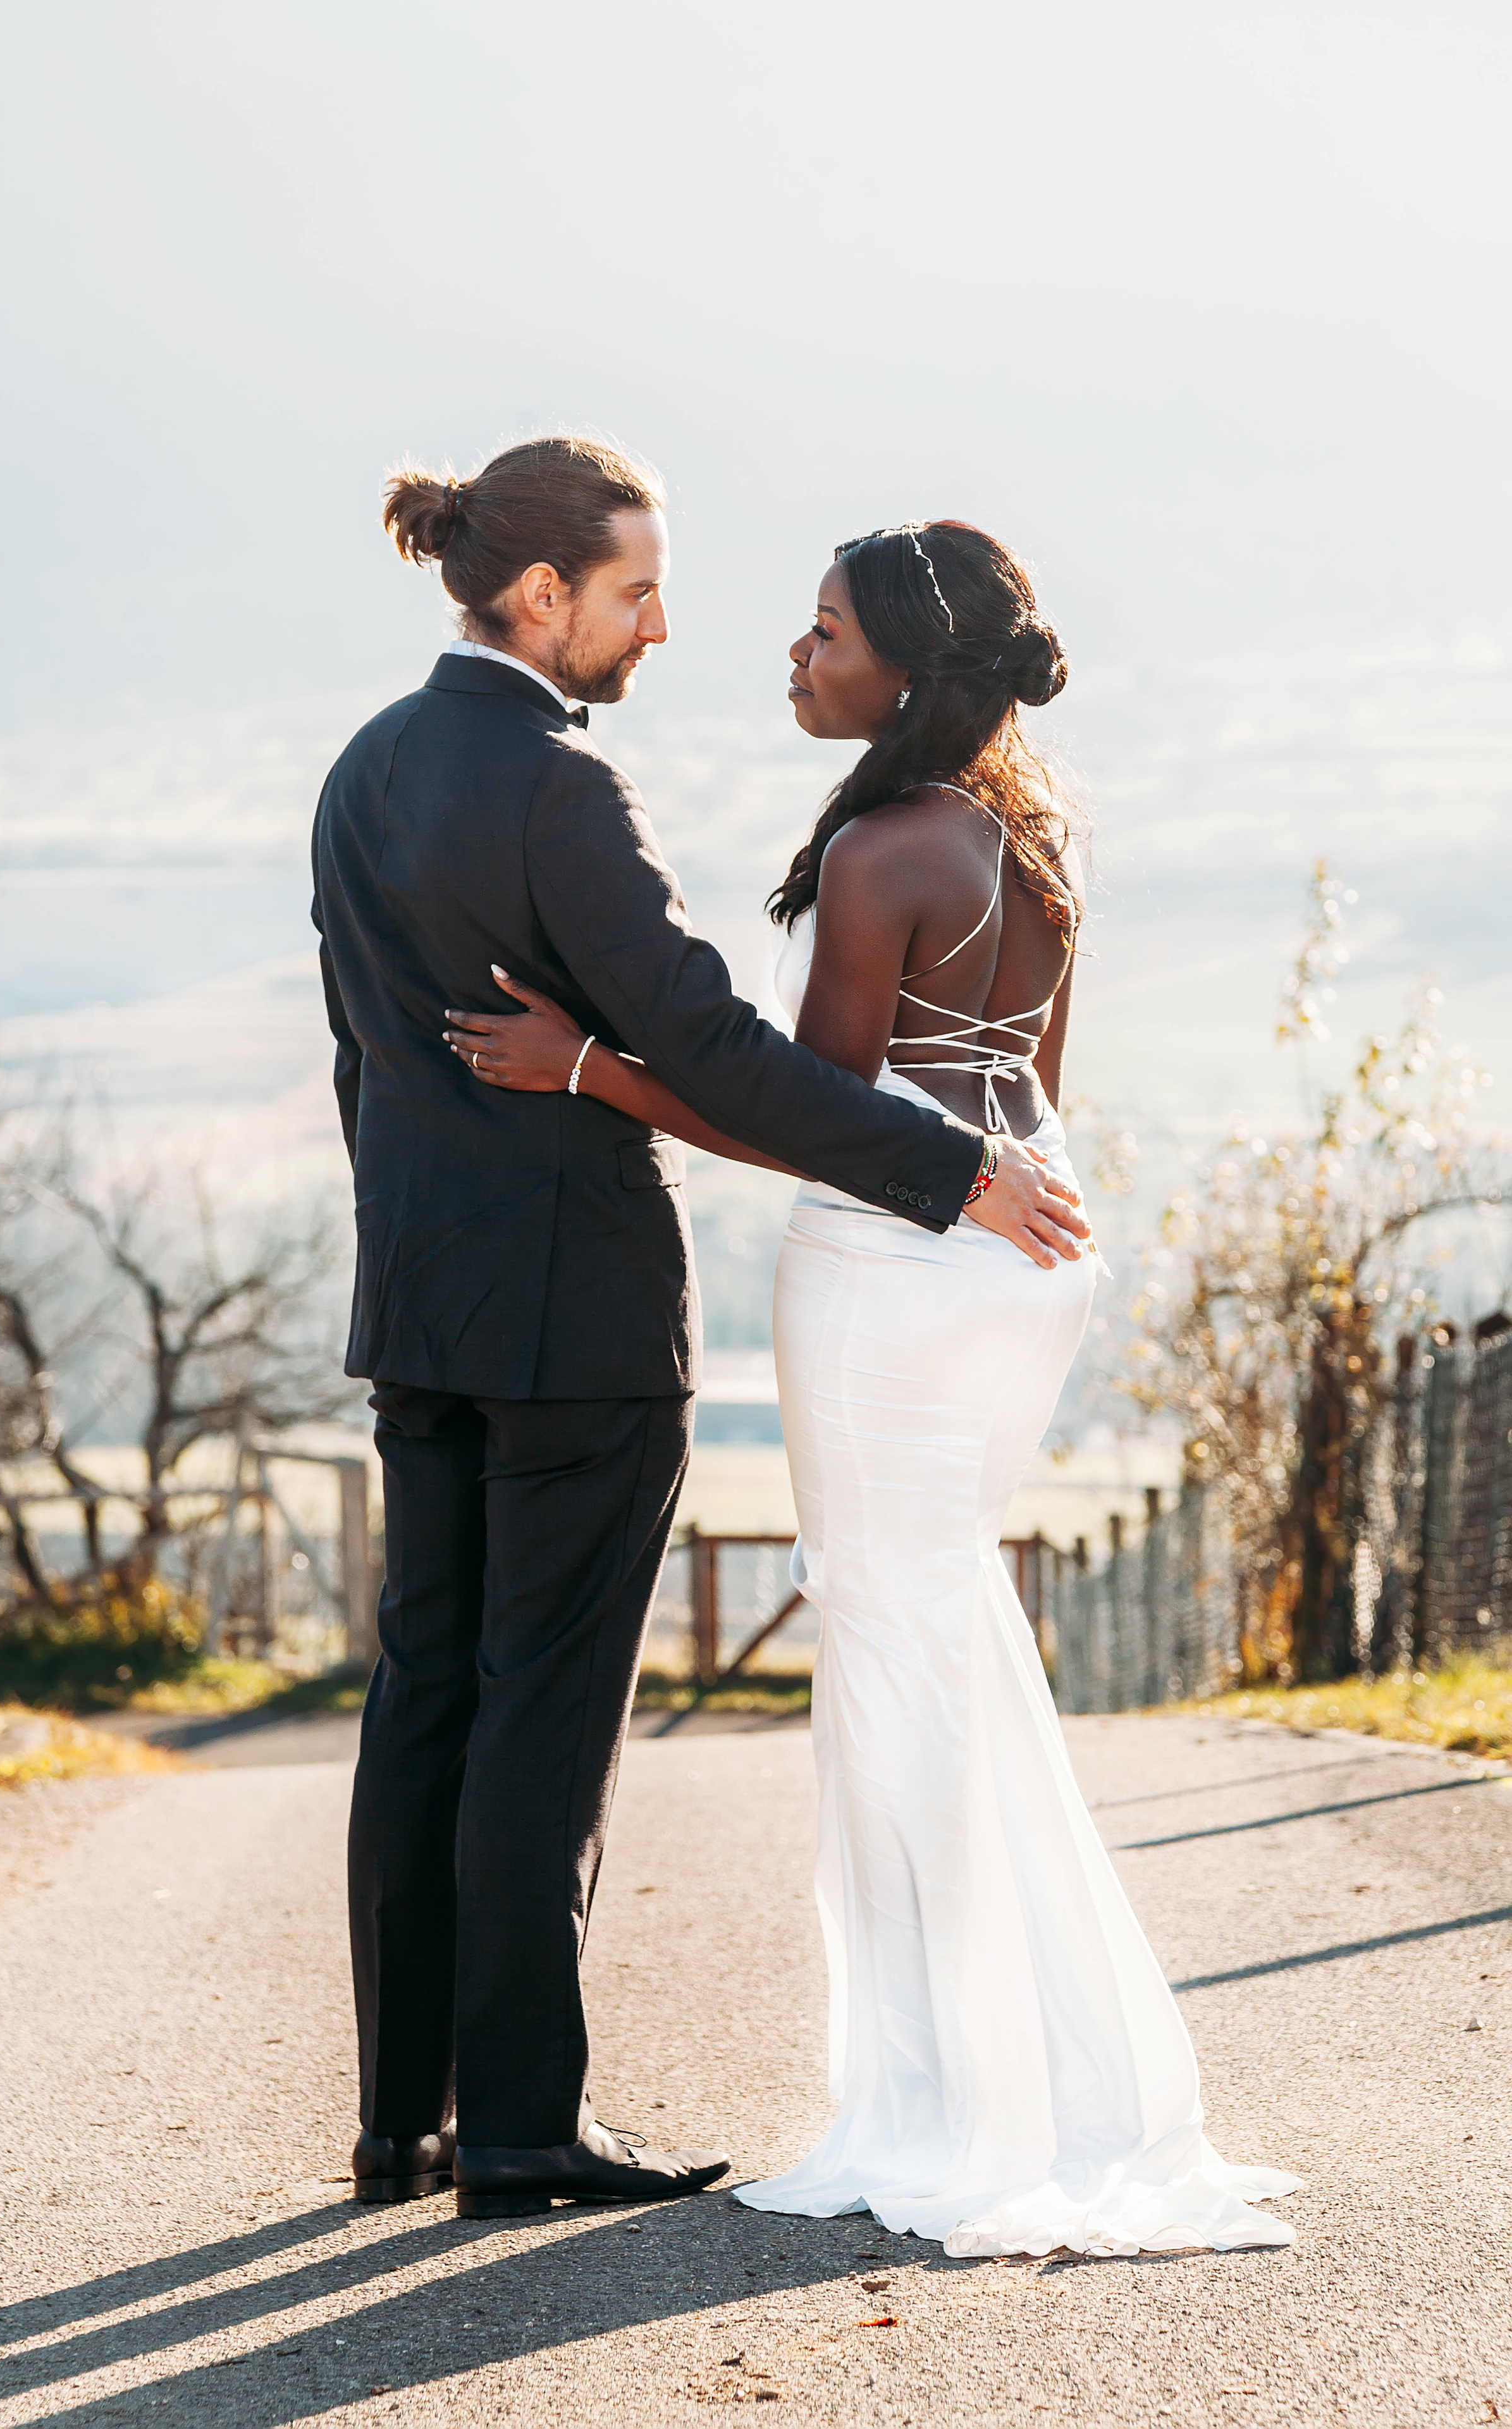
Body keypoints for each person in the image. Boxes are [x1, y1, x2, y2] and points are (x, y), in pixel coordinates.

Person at [446, 518, 1301, 2258]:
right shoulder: (1027, 840)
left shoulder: (880, 854)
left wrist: (584, 1068)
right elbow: (1023, 1093)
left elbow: (809, 1119)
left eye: (822, 631)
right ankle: (1042, 2086)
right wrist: (977, 1189)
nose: (791, 652)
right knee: (946, 1631)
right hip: (1017, 1265)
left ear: (901, 668)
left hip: (895, 1281)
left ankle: (954, 2108)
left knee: (900, 1652)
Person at [310, 441, 1091, 2222]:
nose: (663, 629)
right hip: (576, 1316)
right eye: (636, 592)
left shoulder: (365, 770)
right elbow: (723, 1050)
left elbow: (364, 1055)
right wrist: (950, 1169)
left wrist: (418, 1243)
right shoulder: (559, 792)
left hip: (420, 1302)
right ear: (539, 597)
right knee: (542, 1713)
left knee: (422, 1690)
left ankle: (398, 2116)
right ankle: (515, 2124)